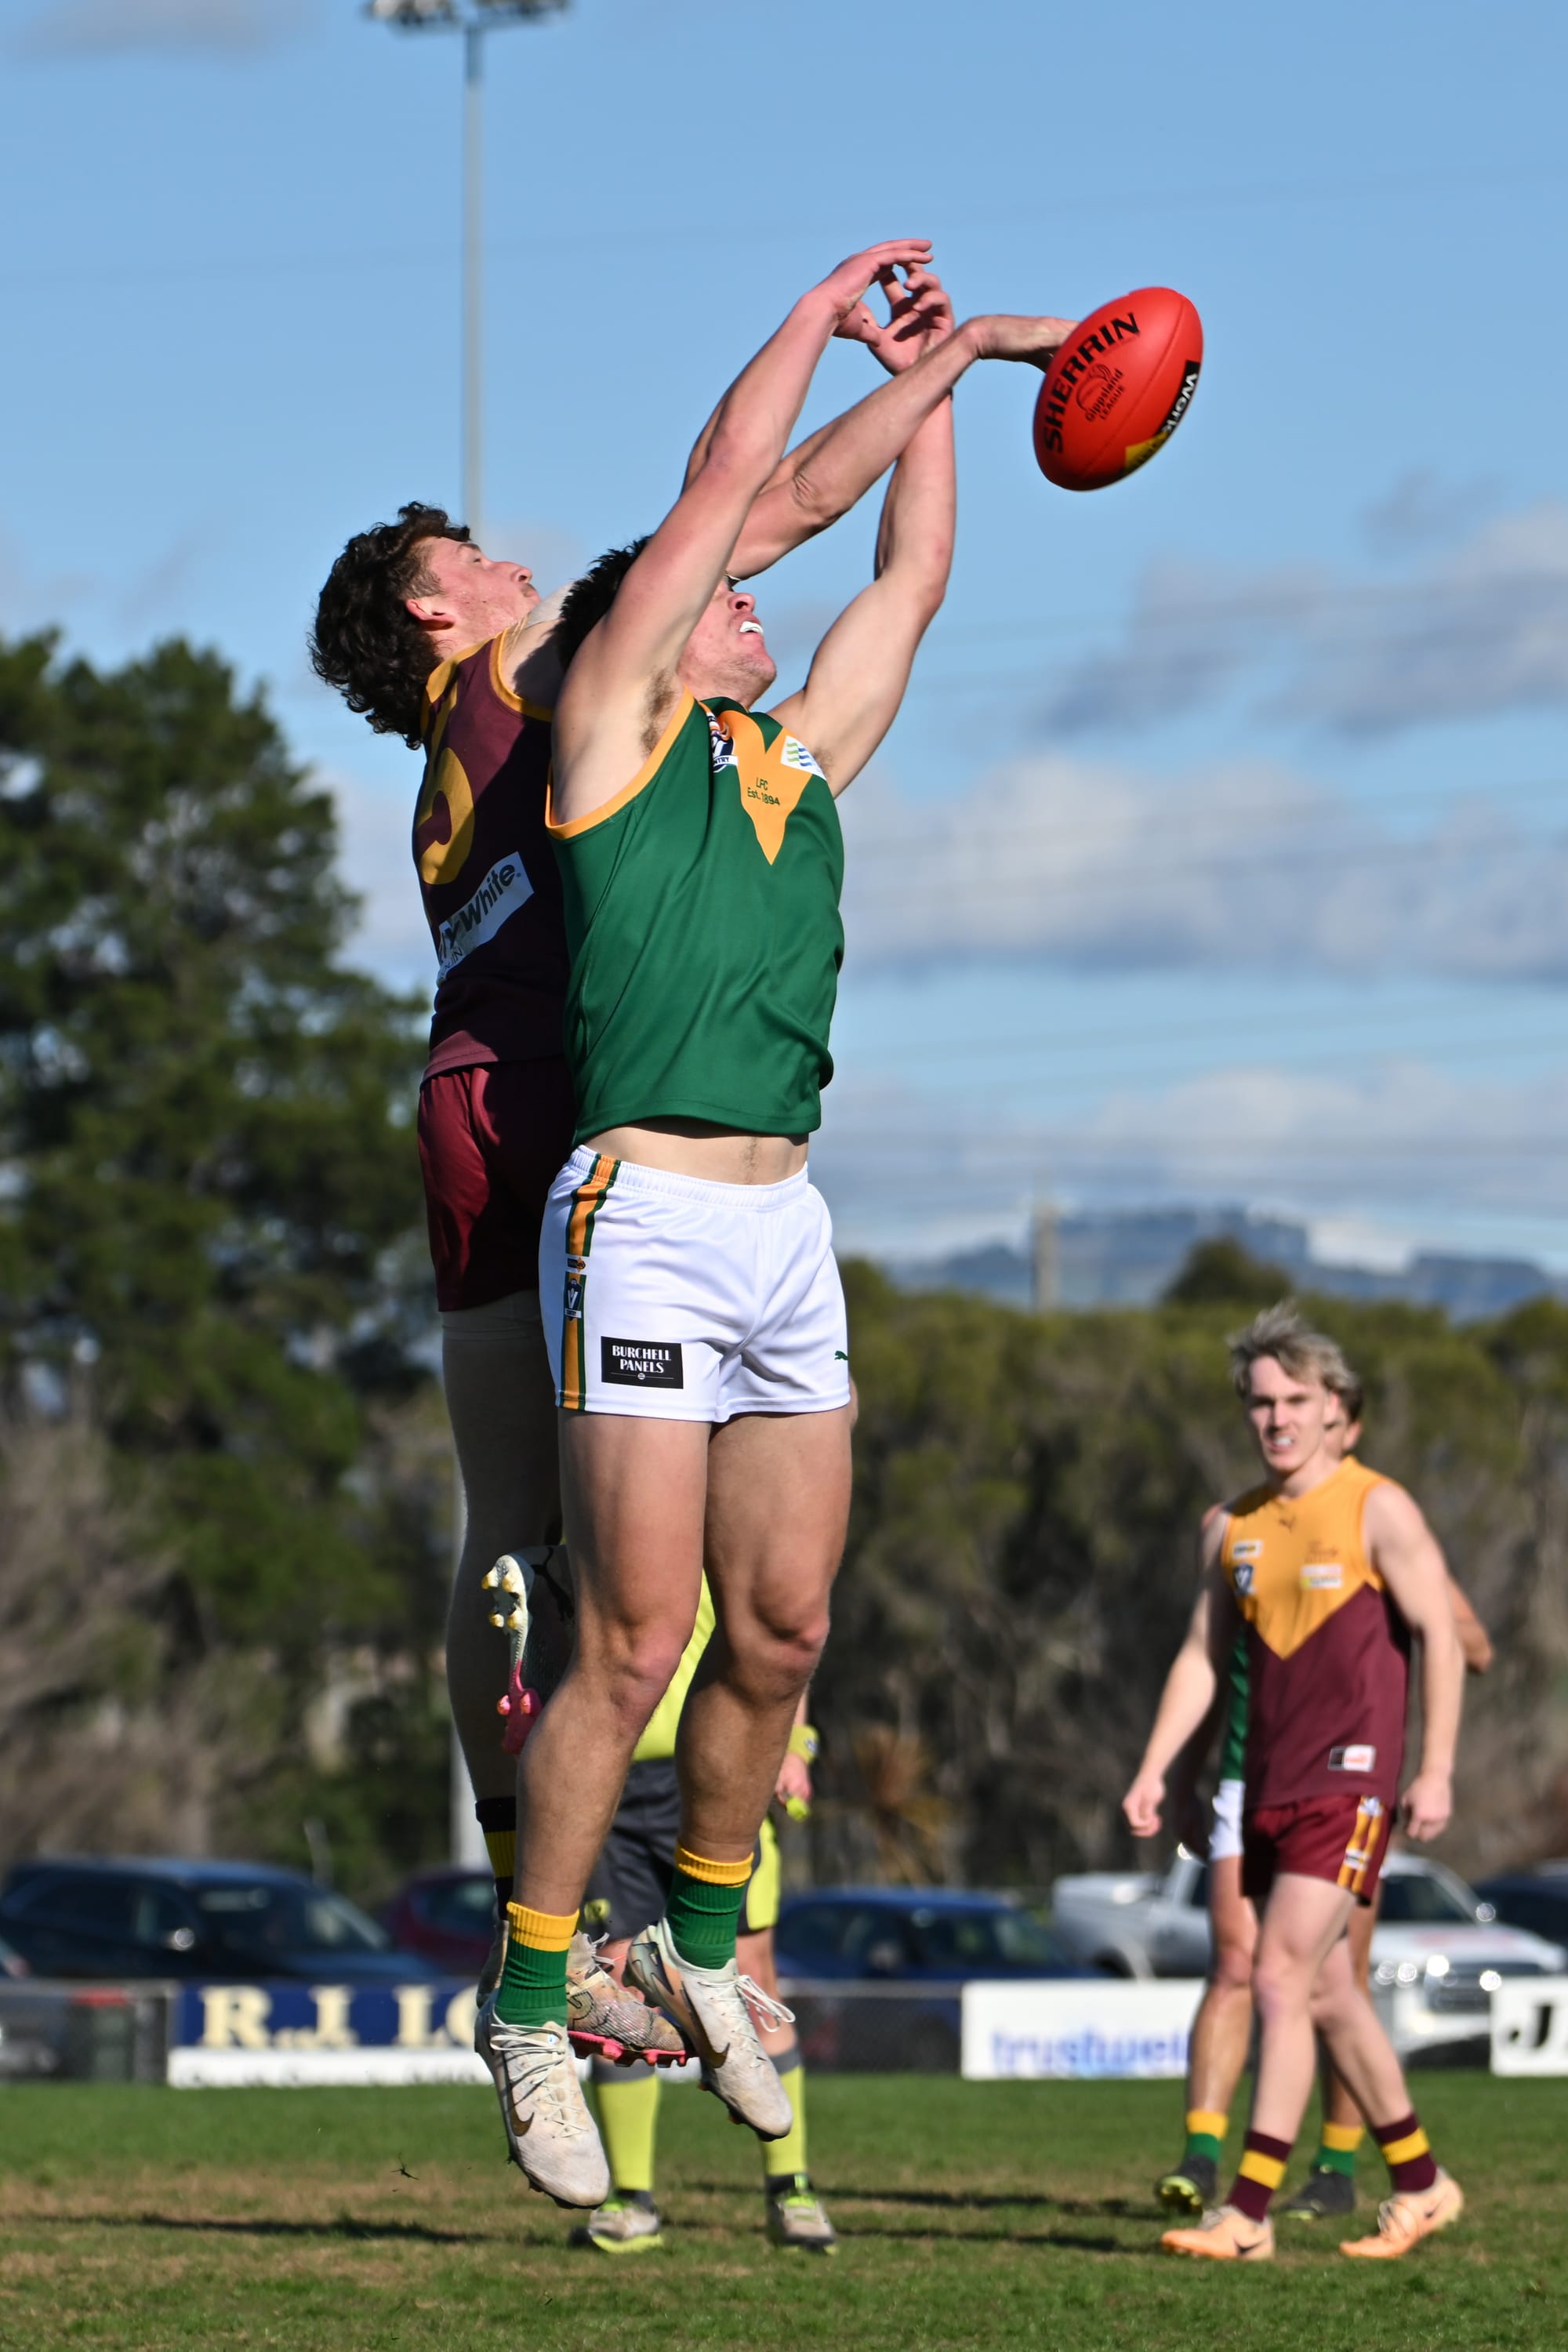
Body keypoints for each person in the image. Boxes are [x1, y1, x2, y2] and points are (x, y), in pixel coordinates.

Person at [307, 258, 1067, 2059]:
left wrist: (940, 377)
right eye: (476, 553)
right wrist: (886, 336)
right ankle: (612, 1915)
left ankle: (548, 1879)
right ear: (437, 606)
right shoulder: (520, 664)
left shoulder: (447, 762)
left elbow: (836, 548)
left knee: (515, 1547)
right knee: (627, 1601)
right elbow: (767, 492)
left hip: (469, 1105)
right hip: (572, 1118)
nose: (509, 559)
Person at [1123, 1303, 1468, 2262]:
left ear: (1333, 1410)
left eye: (1294, 1400)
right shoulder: (1230, 1526)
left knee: (1277, 1973)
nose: (1274, 1418)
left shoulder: (1374, 1506)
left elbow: (1442, 1633)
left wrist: (1432, 1768)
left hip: (1349, 1784)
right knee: (1322, 1995)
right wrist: (1159, 1770)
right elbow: (1199, 1657)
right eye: (1259, 1402)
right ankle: (1421, 2183)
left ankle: (1246, 2211)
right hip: (1266, 1786)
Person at [575, 1581, 832, 2254]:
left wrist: (796, 1746)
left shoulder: (726, 1514)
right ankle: (630, 2199)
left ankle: (791, 2189)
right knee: (616, 1986)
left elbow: (780, 1636)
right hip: (612, 1783)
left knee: (752, 1984)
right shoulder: (588, 1501)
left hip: (721, 1772)